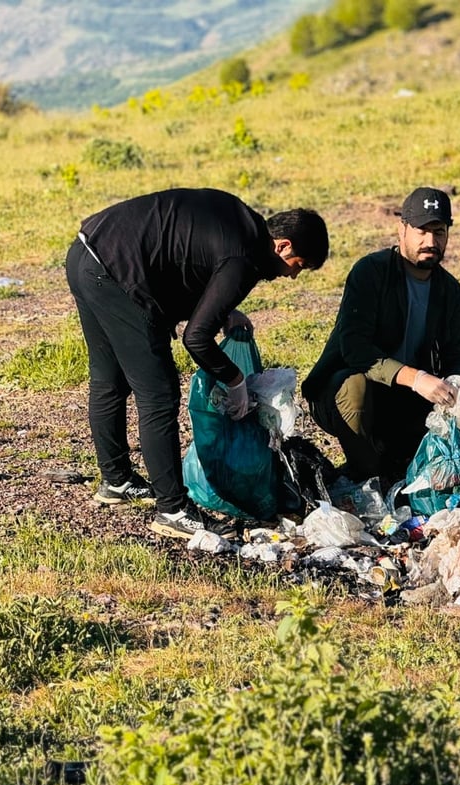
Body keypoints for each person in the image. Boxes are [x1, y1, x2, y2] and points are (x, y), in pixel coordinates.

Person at [66, 187, 329, 539]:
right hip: (116, 273)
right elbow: (197, 339)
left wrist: (224, 309)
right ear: (282, 245)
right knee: (158, 396)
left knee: (109, 380)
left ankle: (116, 481)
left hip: (86, 251)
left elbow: (190, 257)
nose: (292, 276)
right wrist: (234, 381)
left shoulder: (242, 223)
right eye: (298, 266)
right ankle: (172, 509)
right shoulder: (245, 257)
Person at [302, 187, 460, 483]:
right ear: (401, 230)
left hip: (405, 400)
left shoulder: (450, 290)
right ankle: (367, 475)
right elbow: (355, 349)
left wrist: (456, 391)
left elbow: (456, 355)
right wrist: (416, 378)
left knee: (457, 433)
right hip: (346, 392)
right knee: (354, 388)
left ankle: (394, 461)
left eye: (439, 231)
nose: (430, 241)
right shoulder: (371, 272)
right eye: (421, 231)